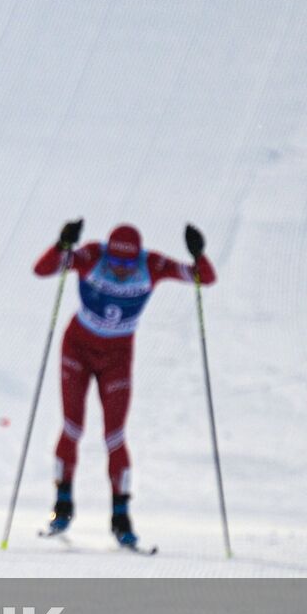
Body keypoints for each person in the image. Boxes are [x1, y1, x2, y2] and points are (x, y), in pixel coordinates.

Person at [33, 220, 216, 547]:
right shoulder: (91, 255)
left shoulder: (152, 265)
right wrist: (62, 245)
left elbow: (204, 278)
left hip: (117, 357)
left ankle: (121, 518)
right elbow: (41, 270)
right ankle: (62, 506)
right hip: (77, 349)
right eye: (114, 263)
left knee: (115, 436)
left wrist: (199, 254)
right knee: (72, 428)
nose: (119, 270)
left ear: (138, 258)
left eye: (126, 265)